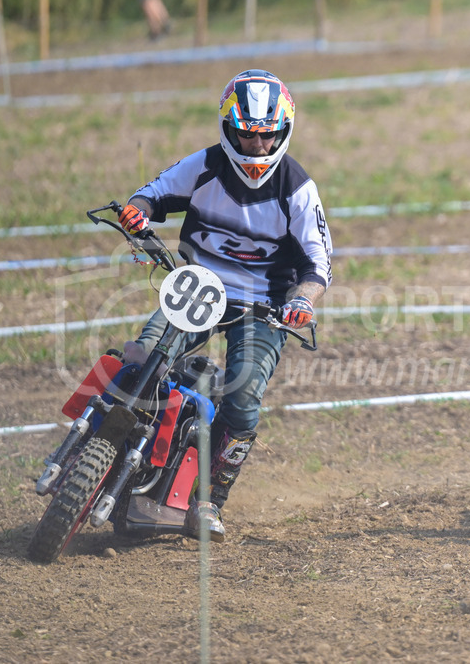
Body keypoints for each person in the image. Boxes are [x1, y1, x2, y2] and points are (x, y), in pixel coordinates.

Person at [117, 69, 333, 541]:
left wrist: (301, 301)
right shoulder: (204, 165)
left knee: (243, 397)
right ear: (228, 128)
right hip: (200, 287)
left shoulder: (297, 188)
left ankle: (209, 501)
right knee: (141, 358)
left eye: (267, 137)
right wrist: (138, 211)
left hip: (265, 305)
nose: (257, 147)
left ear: (284, 132)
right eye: (248, 136)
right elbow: (150, 194)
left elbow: (319, 266)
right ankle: (102, 443)